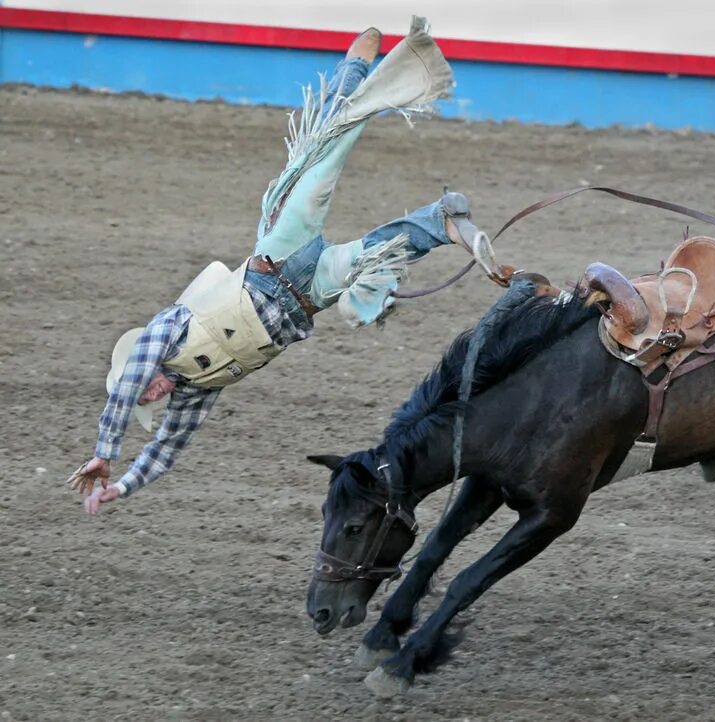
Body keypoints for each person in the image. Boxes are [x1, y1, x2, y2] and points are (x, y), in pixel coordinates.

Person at [66, 19, 486, 514]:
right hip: (308, 297)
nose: (150, 394)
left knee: (327, 151)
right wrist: (122, 486)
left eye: (143, 389)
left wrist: (104, 453)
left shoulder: (165, 333)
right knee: (375, 253)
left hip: (279, 252)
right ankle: (442, 220)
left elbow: (128, 385)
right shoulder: (197, 391)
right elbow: (166, 451)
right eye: (148, 399)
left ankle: (353, 72)